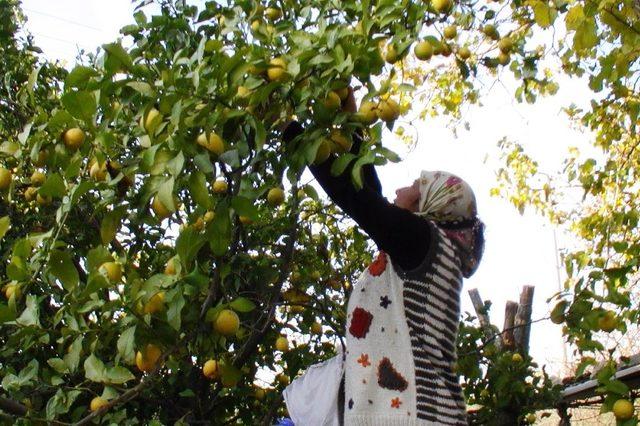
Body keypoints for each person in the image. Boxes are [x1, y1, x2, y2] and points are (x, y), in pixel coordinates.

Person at [281, 89, 485, 426]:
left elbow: (359, 201)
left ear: (427, 207)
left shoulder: (424, 242)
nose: (402, 189)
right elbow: (368, 193)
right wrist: (352, 121)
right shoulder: (428, 251)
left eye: (415, 188)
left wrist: (292, 132)